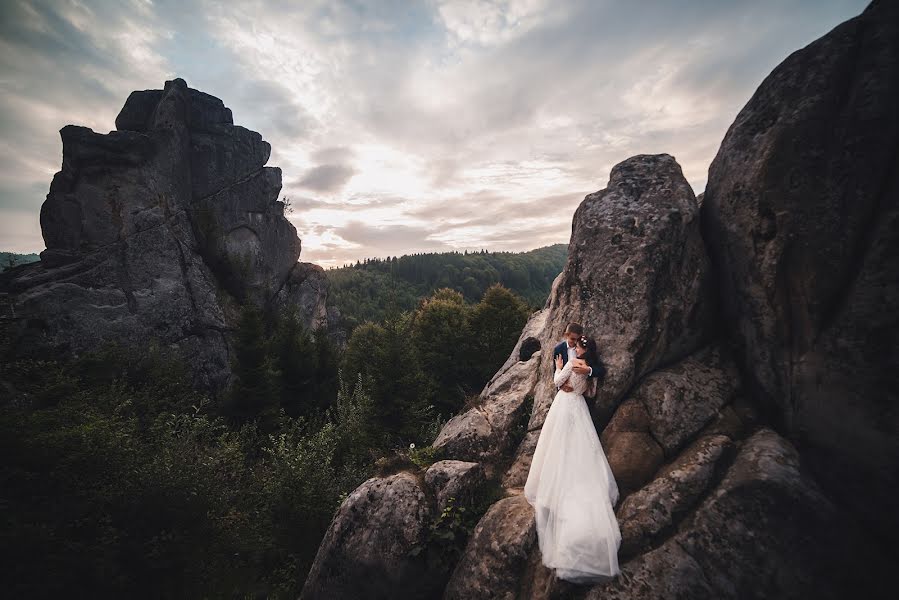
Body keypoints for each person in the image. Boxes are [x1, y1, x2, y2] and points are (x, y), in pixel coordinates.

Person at [524, 334, 621, 584]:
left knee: (557, 442)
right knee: (583, 446)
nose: (574, 347)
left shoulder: (573, 363)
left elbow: (558, 382)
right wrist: (587, 370)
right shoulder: (588, 368)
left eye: (577, 345)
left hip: (565, 404)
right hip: (579, 406)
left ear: (581, 348)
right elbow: (591, 382)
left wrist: (559, 368)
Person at [552, 323, 605, 396]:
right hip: (565, 392)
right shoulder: (559, 349)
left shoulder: (587, 350)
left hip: (583, 394)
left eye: (577, 339)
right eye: (572, 339)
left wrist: (588, 370)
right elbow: (557, 369)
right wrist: (561, 386)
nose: (575, 342)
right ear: (566, 335)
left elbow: (601, 369)